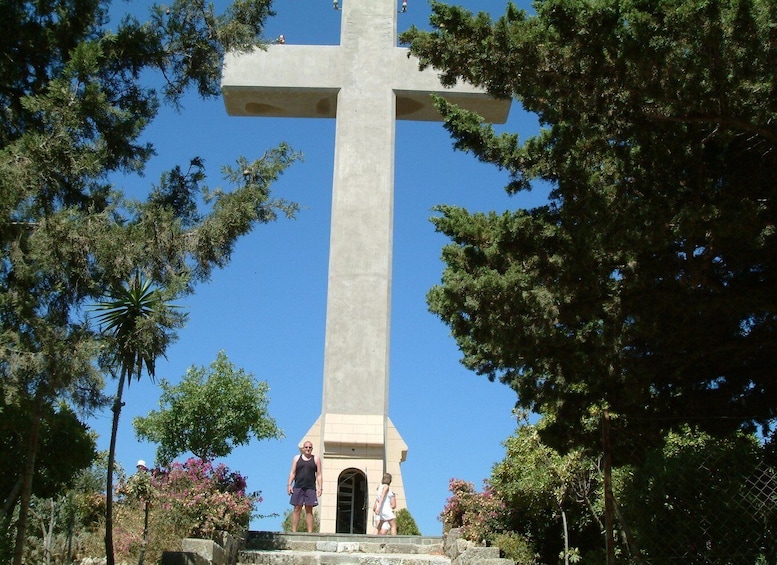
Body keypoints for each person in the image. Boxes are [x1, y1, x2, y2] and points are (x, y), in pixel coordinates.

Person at [287, 441, 322, 533]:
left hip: (310, 488)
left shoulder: (316, 459)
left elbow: (319, 475)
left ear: (312, 449)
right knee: (297, 508)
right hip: (298, 486)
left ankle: (310, 532)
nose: (308, 449)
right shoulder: (297, 458)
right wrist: (289, 484)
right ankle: (294, 531)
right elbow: (292, 472)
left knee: (309, 509)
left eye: (310, 447)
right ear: (303, 448)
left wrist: (320, 487)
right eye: (306, 447)